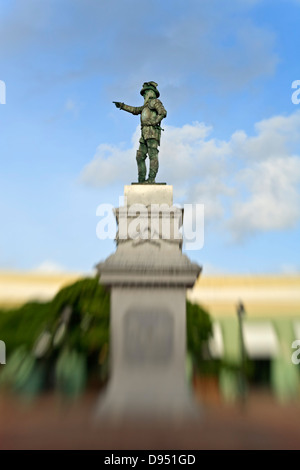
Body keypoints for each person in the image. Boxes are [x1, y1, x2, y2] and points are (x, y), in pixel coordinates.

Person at [114, 81, 167, 183]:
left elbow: (163, 112)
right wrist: (122, 106)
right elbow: (135, 110)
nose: (144, 95)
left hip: (152, 132)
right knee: (140, 156)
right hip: (144, 133)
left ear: (151, 92)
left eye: (145, 93)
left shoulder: (154, 102)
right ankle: (141, 179)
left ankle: (151, 178)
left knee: (152, 154)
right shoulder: (146, 106)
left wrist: (154, 121)